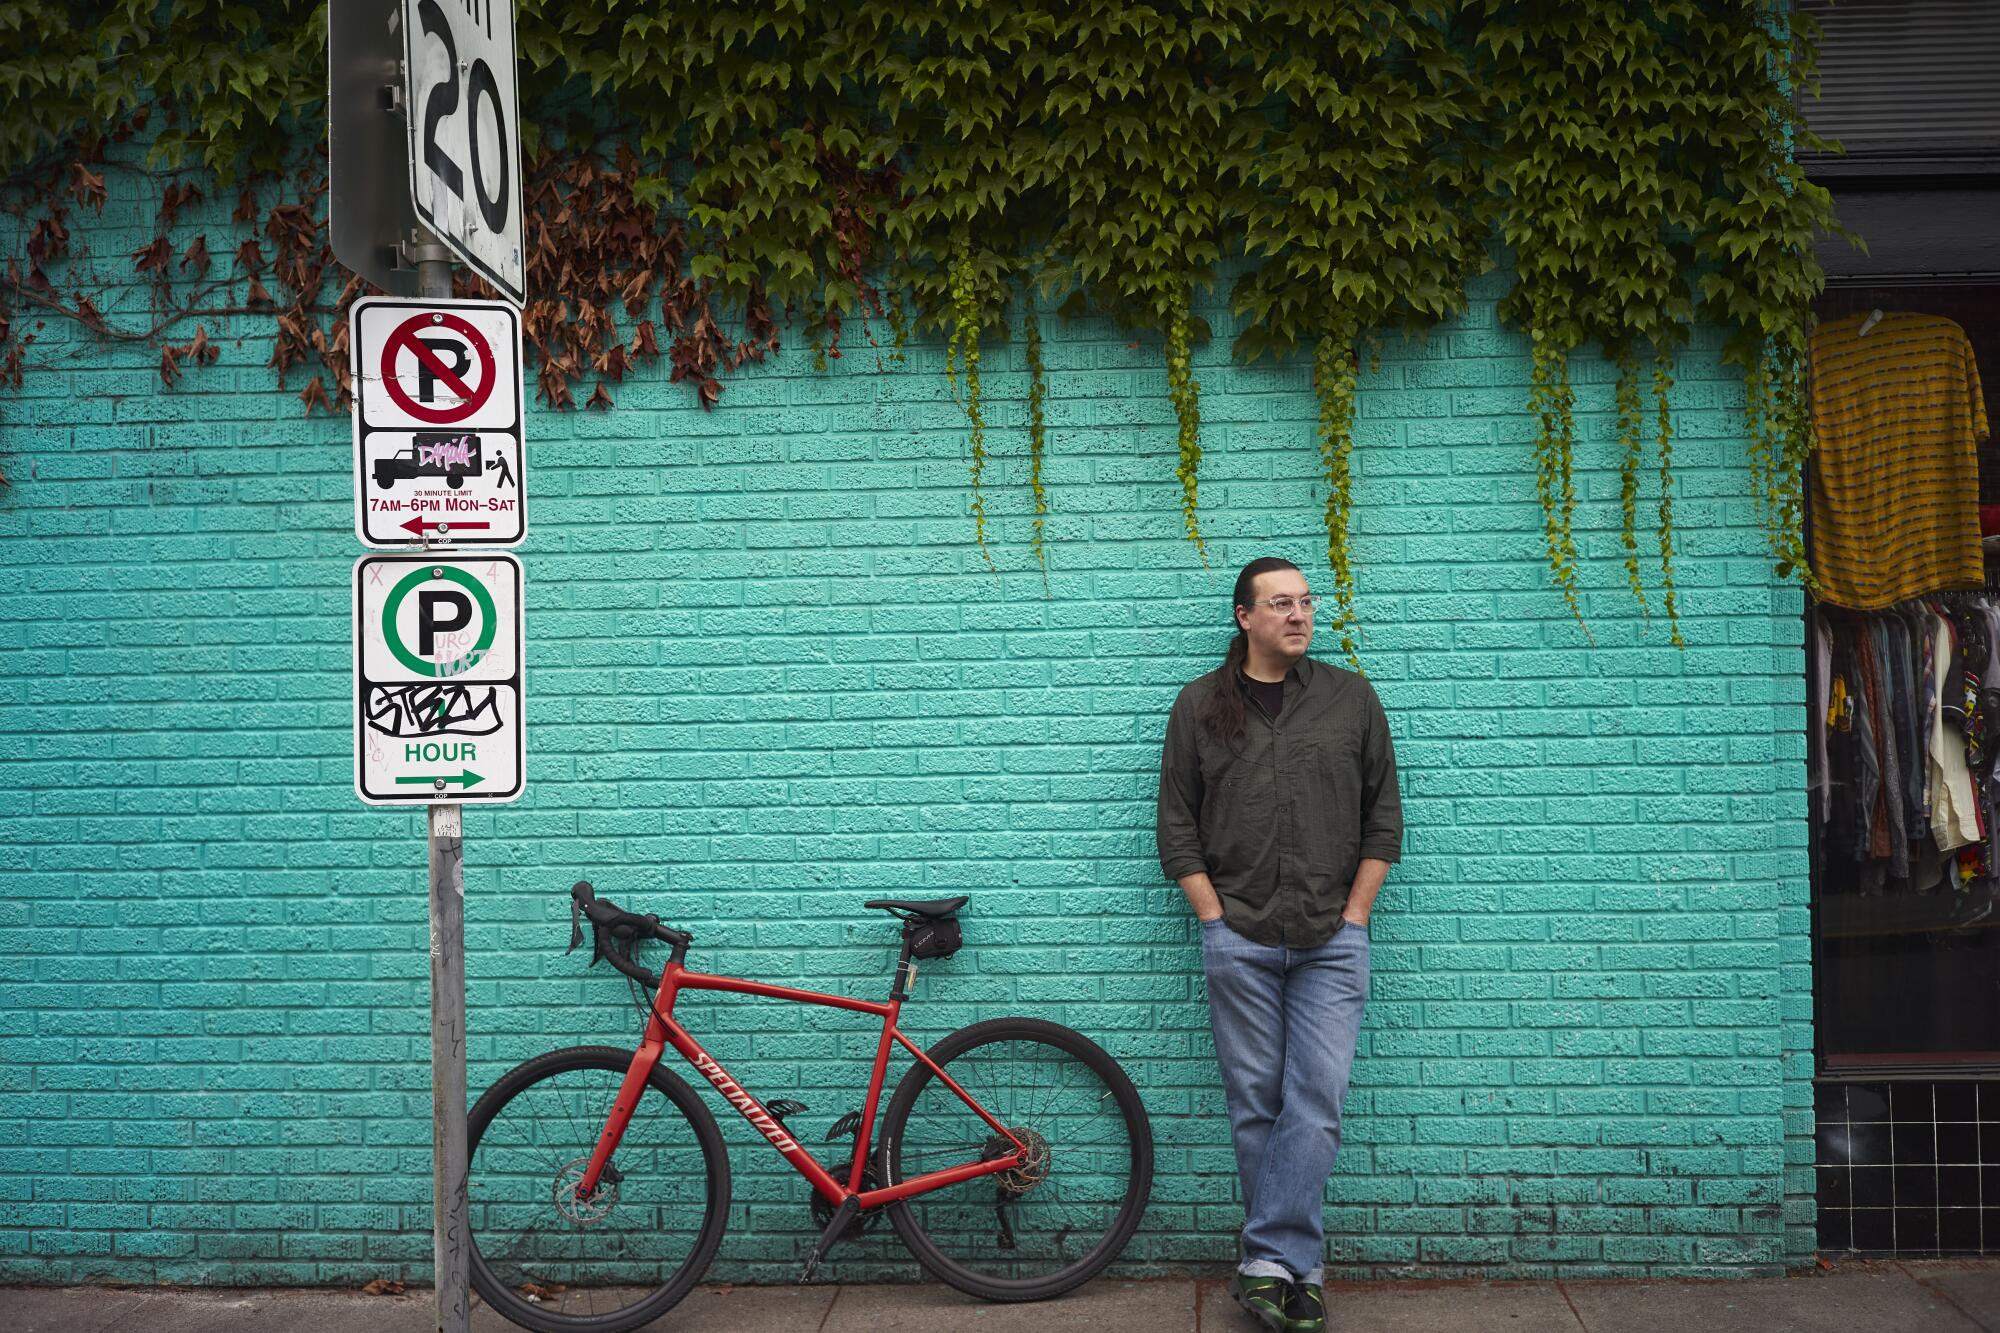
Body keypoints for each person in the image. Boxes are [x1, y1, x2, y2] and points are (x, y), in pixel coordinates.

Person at [1155, 556, 1402, 1333]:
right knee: (1255, 1103)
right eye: (1280, 603)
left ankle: (1266, 1257)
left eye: (1305, 601)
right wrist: (1214, 920)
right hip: (1242, 936)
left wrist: (1357, 915)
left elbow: (1383, 818)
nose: (1299, 615)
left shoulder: (1350, 698)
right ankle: (1301, 1272)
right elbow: (1177, 827)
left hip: (1334, 936)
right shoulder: (1200, 705)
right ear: (1244, 617)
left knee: (1316, 1099)